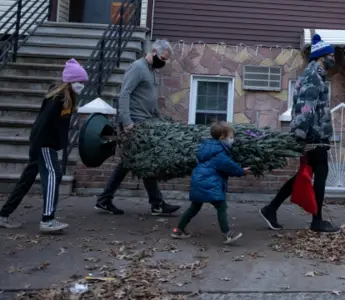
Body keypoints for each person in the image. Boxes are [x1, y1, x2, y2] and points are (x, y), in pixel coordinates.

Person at [259, 34, 340, 233]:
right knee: (320, 174)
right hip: (313, 137)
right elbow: (306, 108)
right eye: (332, 55)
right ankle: (317, 221)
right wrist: (302, 137)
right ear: (322, 56)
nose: (334, 59)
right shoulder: (313, 76)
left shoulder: (316, 74)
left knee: (304, 175)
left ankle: (271, 208)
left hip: (315, 134)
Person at [0, 59, 88, 233]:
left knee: (26, 180)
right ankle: (48, 219)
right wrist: (39, 146)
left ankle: (3, 214)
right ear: (71, 81)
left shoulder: (64, 97)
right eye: (80, 82)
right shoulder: (59, 98)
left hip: (43, 144)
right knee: (54, 175)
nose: (82, 85)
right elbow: (43, 123)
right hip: (44, 144)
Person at [95, 39, 180, 216]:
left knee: (136, 161)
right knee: (137, 161)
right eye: (163, 58)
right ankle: (155, 203)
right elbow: (124, 94)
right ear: (154, 51)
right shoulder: (138, 67)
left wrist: (158, 116)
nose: (163, 62)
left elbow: (149, 98)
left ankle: (106, 200)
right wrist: (127, 122)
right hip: (134, 123)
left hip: (145, 122)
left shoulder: (151, 71)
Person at [171, 122, 248, 244]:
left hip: (199, 181)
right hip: (210, 183)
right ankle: (227, 234)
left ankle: (178, 230)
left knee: (194, 207)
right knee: (221, 207)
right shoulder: (219, 153)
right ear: (223, 137)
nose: (232, 140)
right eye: (231, 137)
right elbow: (229, 166)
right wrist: (242, 171)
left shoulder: (206, 146)